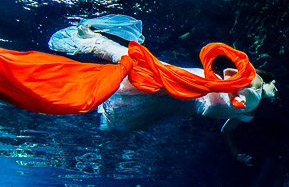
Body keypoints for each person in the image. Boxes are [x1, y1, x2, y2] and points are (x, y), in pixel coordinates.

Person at [0, 14, 275, 164]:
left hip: (177, 103)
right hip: (179, 95)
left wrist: (237, 153)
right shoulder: (247, 95)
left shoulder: (248, 104)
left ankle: (106, 51)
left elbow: (230, 127)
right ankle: (103, 48)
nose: (265, 91)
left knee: (142, 75)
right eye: (267, 88)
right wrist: (238, 105)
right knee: (143, 72)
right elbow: (228, 105)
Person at [49, 15, 277, 164]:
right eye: (275, 84)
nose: (276, 90)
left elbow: (226, 130)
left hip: (190, 105)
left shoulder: (249, 113)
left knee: (148, 82)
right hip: (197, 86)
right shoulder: (255, 82)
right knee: (152, 71)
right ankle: (97, 43)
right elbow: (229, 75)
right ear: (267, 81)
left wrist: (236, 154)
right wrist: (232, 92)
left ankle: (97, 53)